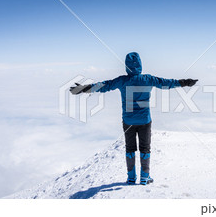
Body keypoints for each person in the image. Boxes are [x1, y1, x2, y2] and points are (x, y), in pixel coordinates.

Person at [70, 52, 197, 185]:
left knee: (130, 148)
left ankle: (131, 178)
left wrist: (85, 88)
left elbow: (104, 85)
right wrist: (185, 82)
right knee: (145, 148)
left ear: (126, 66)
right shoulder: (148, 79)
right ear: (140, 65)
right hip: (144, 120)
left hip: (128, 120)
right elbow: (167, 83)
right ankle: (144, 177)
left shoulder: (122, 80)